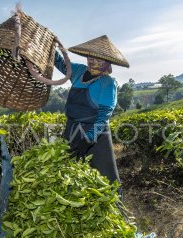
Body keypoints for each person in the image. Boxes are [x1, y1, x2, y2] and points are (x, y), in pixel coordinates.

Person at [54, 35, 130, 187]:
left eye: (99, 59)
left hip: (95, 135)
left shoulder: (107, 83)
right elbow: (61, 63)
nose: (93, 61)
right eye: (90, 57)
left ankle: (115, 208)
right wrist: (51, 48)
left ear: (107, 62)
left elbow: (103, 116)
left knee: (104, 178)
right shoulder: (78, 71)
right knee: (70, 175)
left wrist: (89, 138)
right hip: (72, 130)